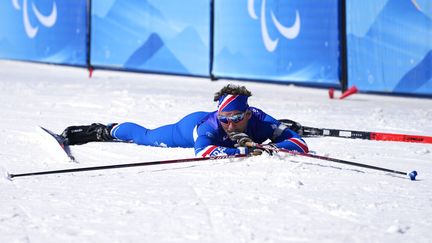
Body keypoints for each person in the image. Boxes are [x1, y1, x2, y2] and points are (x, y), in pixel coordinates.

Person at [61, 84, 308, 157]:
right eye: (225, 119)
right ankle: (106, 130)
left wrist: (271, 146)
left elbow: (300, 144)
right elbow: (204, 151)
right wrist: (244, 150)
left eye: (234, 119)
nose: (230, 125)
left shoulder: (260, 118)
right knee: (146, 137)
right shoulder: (212, 126)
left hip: (250, 132)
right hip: (189, 127)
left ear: (247, 114)